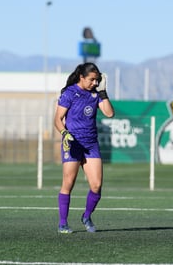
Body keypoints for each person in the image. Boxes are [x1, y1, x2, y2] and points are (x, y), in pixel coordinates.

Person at [54, 62, 115, 234]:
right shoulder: (69, 93)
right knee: (68, 183)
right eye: (92, 80)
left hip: (91, 144)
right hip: (73, 144)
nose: (95, 83)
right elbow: (57, 119)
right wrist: (65, 133)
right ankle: (63, 223)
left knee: (96, 185)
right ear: (81, 77)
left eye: (97, 80)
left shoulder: (96, 95)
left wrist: (103, 92)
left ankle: (86, 216)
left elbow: (110, 113)